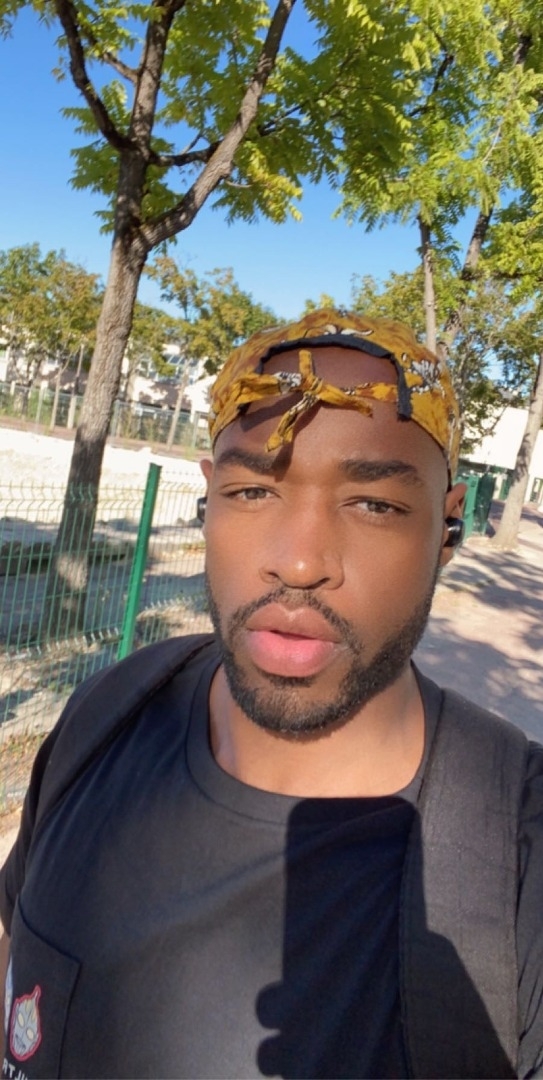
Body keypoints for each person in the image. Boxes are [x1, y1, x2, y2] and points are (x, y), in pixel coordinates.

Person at [1, 308, 542, 1079]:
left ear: (447, 527)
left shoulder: (518, 855)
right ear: (209, 497)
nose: (298, 563)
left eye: (375, 504)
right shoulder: (109, 710)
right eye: (253, 491)